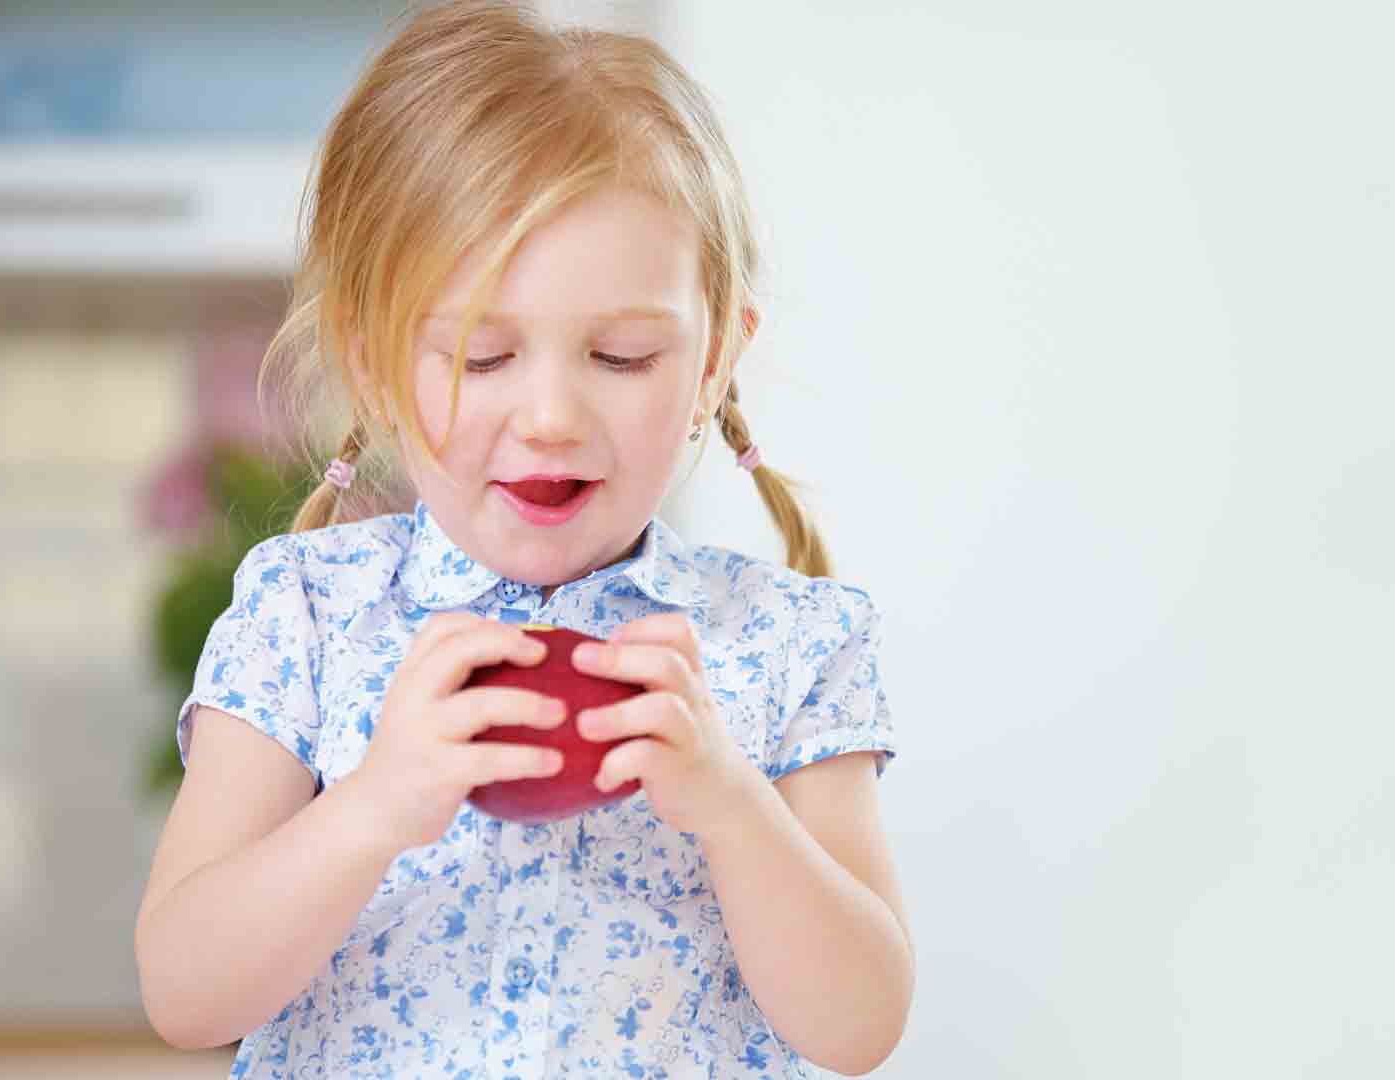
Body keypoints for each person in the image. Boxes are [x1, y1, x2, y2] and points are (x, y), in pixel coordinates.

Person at [132, 2, 912, 1076]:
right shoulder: (306, 613)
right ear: (371, 362)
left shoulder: (787, 640)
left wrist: (734, 811)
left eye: (625, 356)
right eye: (480, 358)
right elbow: (183, 990)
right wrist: (371, 807)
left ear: (715, 362)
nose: (549, 417)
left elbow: (862, 1024)